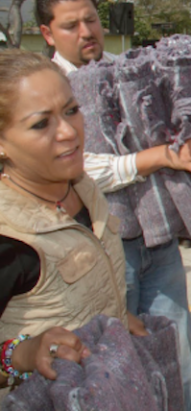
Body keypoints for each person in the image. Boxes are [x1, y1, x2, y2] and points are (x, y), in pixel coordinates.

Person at [36, 0, 191, 411]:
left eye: (91, 20)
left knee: (177, 357)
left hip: (159, 244)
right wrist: (160, 157)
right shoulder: (44, 89)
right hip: (98, 250)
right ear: (47, 34)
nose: (86, 32)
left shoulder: (132, 71)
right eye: (70, 26)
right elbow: (81, 169)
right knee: (112, 368)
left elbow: (187, 120)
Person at [0, 51, 145, 395]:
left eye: (71, 111)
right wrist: (20, 355)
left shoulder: (85, 188)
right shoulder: (9, 236)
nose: (68, 131)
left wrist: (120, 319)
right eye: (40, 123)